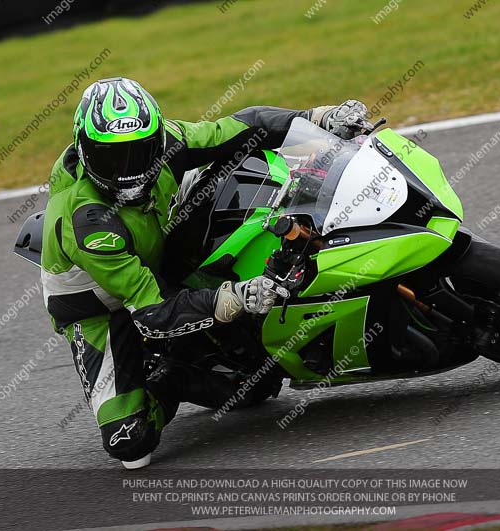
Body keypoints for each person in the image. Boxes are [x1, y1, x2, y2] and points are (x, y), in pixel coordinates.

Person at [40, 77, 372, 469]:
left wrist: (318, 117)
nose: (129, 171)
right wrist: (235, 296)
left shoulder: (168, 140)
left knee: (255, 380)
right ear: (84, 149)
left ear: (158, 139)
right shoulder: (86, 220)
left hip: (156, 248)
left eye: (141, 153)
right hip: (101, 304)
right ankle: (171, 375)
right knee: (130, 443)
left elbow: (241, 127)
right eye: (113, 159)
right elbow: (150, 309)